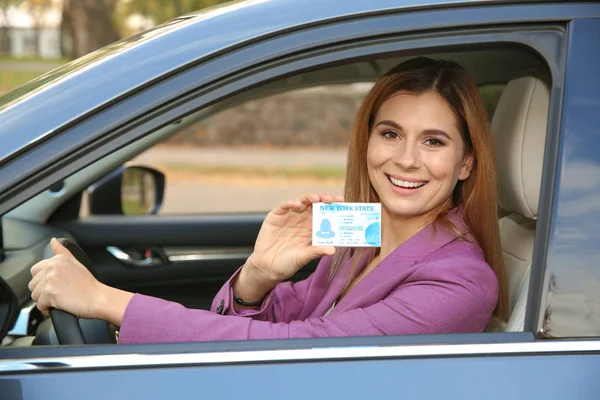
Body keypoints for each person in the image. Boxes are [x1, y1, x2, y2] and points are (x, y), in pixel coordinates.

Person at [28, 57, 507, 343]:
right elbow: (286, 315)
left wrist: (103, 300)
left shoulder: (461, 282)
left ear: (467, 163)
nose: (405, 159)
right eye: (390, 133)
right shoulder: (361, 230)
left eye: (434, 142)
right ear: (366, 143)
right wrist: (257, 277)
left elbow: (298, 347)